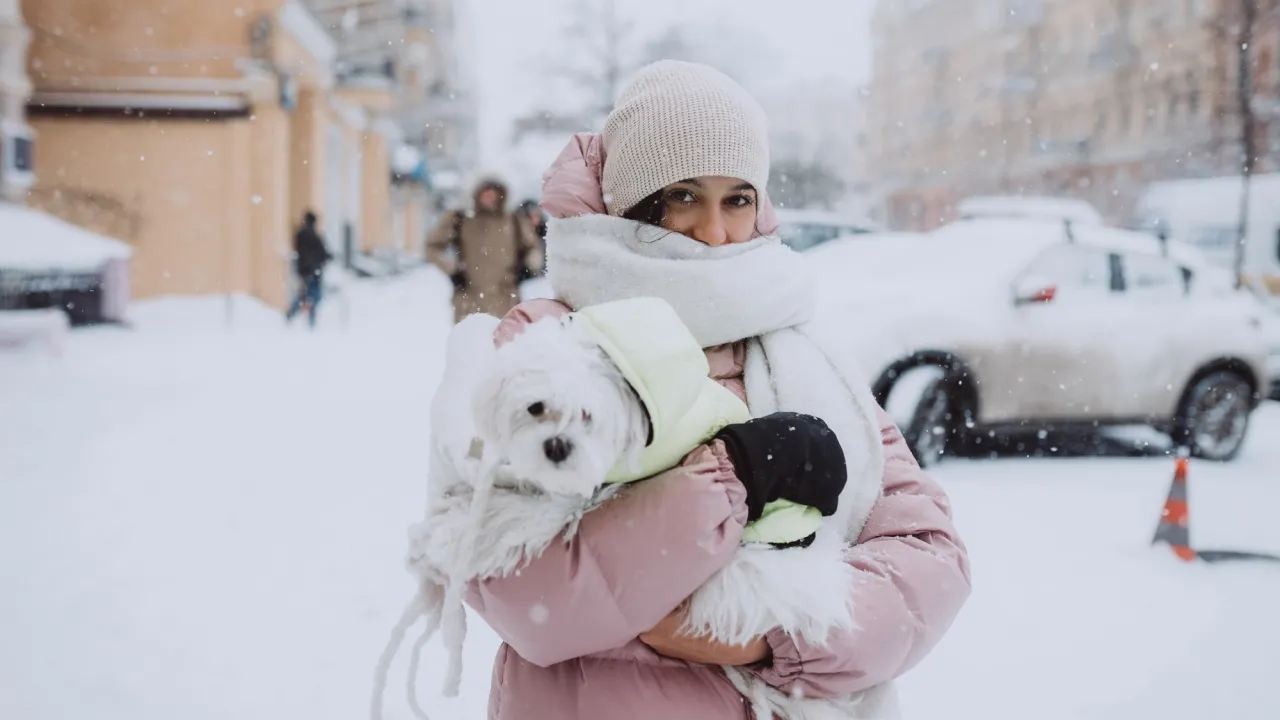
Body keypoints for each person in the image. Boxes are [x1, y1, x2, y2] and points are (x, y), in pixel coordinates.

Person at [450, 61, 972, 719]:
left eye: (737, 200)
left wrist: (770, 634)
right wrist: (734, 476)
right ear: (631, 203)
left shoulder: (800, 353)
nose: (715, 231)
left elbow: (930, 555)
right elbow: (519, 591)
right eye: (684, 197)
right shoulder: (552, 345)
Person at [425, 178, 544, 321]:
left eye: (494, 192)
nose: (490, 197)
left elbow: (533, 249)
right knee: (470, 341)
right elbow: (433, 247)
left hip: (506, 302)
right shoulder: (460, 219)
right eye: (486, 192)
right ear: (477, 192)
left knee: (504, 342)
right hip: (469, 302)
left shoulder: (514, 221)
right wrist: (452, 270)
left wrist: (528, 268)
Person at [284, 210, 332, 329]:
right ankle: (310, 320)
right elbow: (322, 253)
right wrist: (325, 258)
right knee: (314, 296)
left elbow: (300, 253)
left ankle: (293, 313)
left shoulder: (300, 234)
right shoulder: (314, 236)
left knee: (305, 295)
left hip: (304, 271)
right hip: (314, 271)